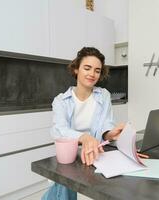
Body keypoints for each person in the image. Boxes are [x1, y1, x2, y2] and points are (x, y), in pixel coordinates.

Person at [42, 47, 124, 200]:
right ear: (76, 69)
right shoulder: (61, 101)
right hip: (69, 156)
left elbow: (107, 123)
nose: (92, 74)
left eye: (97, 71)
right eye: (87, 68)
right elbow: (60, 130)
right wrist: (84, 137)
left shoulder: (103, 95)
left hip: (95, 154)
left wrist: (110, 133)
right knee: (64, 188)